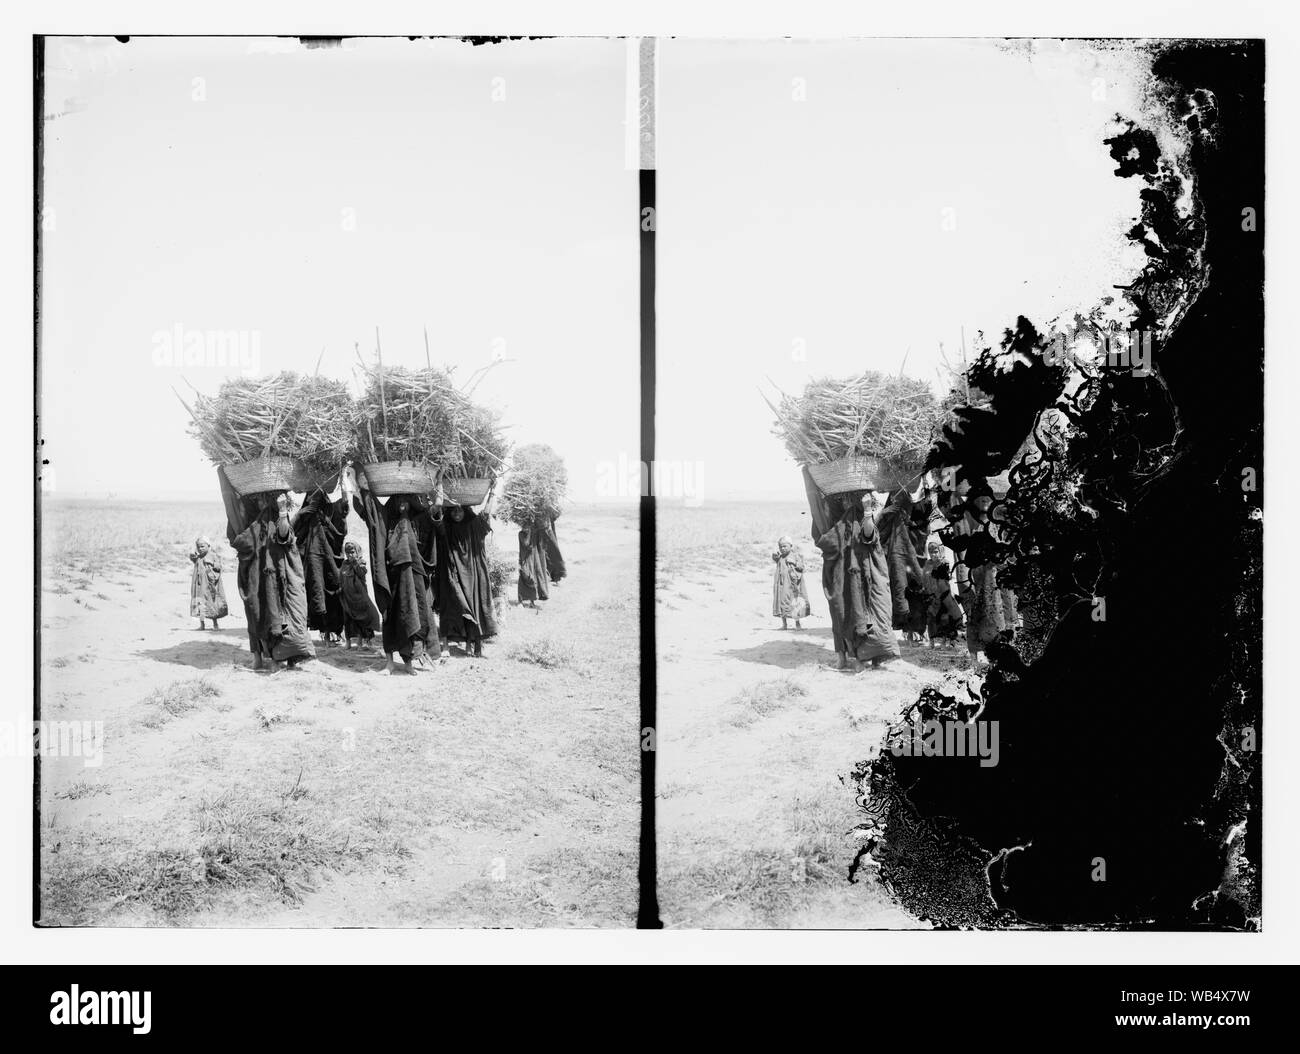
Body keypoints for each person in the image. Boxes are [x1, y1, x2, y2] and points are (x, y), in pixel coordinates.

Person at [218, 469, 321, 673]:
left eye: (266, 500)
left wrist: (283, 511)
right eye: (259, 500)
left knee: (282, 614)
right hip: (256, 577)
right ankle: (259, 656)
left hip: (279, 577)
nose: (262, 504)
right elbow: (239, 538)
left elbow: (284, 535)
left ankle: (281, 657)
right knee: (257, 612)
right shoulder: (249, 523)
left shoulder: (276, 518)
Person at [348, 469, 441, 675]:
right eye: (397, 499)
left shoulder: (419, 519)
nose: (401, 504)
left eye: (405, 499)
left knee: (414, 614)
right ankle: (390, 663)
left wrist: (439, 484)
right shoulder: (386, 519)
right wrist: (360, 485)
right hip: (392, 576)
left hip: (414, 576)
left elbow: (435, 511)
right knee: (391, 615)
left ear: (412, 501)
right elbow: (371, 509)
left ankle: (408, 663)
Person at [814, 489, 901, 670]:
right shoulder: (834, 521)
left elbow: (869, 535)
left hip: (866, 575)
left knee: (869, 614)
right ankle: (842, 655)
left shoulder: (863, 517)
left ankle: (867, 657)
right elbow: (823, 539)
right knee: (840, 611)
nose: (847, 504)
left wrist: (867, 509)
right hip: (840, 573)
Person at [433, 492, 498, 658]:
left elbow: (485, 514)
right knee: (448, 607)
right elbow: (436, 517)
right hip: (449, 574)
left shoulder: (473, 525)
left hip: (471, 575)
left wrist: (491, 494)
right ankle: (446, 645)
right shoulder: (445, 526)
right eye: (453, 510)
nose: (456, 513)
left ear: (466, 511)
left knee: (471, 606)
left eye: (460, 510)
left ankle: (470, 643)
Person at [294, 485, 348, 645]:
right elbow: (293, 531)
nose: (315, 502)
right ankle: (323, 632)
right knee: (315, 593)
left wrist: (344, 488)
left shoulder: (332, 514)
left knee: (332, 593)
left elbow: (343, 512)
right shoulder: (305, 517)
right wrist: (304, 512)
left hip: (330, 564)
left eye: (318, 499)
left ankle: (334, 631)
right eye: (311, 499)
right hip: (312, 566)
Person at [339, 539, 383, 649]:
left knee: (361, 619)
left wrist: (355, 562)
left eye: (352, 552)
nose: (350, 554)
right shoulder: (344, 564)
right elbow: (341, 577)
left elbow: (361, 572)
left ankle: (360, 642)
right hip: (347, 597)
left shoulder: (361, 563)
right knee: (347, 620)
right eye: (347, 552)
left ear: (357, 552)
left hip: (359, 597)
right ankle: (348, 643)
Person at [921, 539, 963, 645]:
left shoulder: (945, 563)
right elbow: (924, 578)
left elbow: (948, 579)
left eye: (936, 552)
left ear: (940, 551)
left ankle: (945, 640)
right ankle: (932, 642)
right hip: (931, 594)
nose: (933, 555)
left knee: (944, 618)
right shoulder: (927, 564)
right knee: (931, 617)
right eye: (931, 552)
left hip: (943, 593)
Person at [188, 535, 229, 630]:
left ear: (208, 546)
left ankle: (215, 624)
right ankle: (202, 625)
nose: (200, 548)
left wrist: (211, 563)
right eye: (198, 547)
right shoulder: (198, 557)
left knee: (211, 603)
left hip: (210, 585)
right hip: (199, 585)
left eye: (202, 546)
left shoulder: (213, 556)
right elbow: (193, 559)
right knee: (200, 603)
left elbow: (219, 567)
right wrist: (192, 556)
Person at [771, 535, 810, 630]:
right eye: (780, 547)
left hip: (793, 586)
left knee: (795, 603)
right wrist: (775, 557)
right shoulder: (781, 557)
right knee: (782, 603)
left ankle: (798, 624)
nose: (782, 548)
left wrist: (794, 563)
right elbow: (777, 561)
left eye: (785, 546)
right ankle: (784, 624)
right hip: (782, 585)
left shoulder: (795, 556)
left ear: (790, 546)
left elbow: (802, 567)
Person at [517, 517, 550, 608]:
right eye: (524, 526)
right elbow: (526, 544)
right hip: (525, 561)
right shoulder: (521, 534)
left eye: (527, 526)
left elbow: (542, 538)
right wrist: (529, 533)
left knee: (534, 579)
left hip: (534, 561)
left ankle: (532, 602)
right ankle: (520, 600)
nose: (525, 527)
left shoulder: (534, 534)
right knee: (525, 578)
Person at [540, 514, 567, 583]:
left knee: (550, 547)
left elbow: (554, 515)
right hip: (544, 526)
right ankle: (554, 573)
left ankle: (556, 573)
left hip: (544, 526)